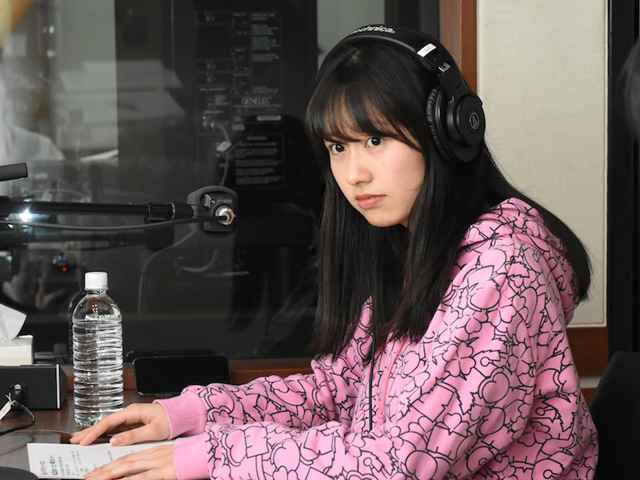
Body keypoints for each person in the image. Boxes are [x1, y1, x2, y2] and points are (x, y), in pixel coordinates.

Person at [70, 25, 598, 479]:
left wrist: (215, 454)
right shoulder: (417, 250)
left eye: (376, 141)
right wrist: (189, 416)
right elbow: (337, 392)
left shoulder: (501, 269)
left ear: (447, 133)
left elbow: (396, 465)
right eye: (338, 147)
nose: (353, 173)